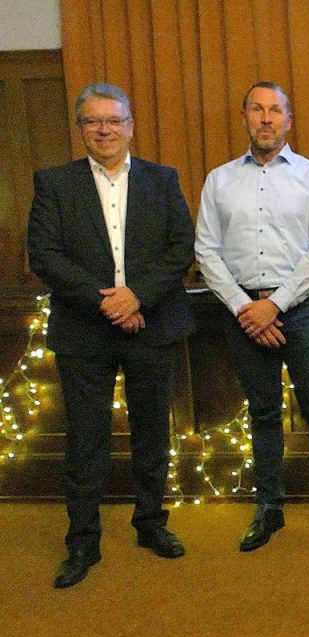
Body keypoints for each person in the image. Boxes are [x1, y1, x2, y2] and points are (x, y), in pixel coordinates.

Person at [27, 82, 196, 588]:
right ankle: (82, 541)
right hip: (84, 331)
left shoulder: (163, 180)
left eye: (114, 120)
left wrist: (136, 296)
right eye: (93, 121)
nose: (105, 130)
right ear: (80, 129)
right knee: (85, 440)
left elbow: (180, 246)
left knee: (152, 434)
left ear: (130, 126)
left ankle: (150, 523)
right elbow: (46, 256)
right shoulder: (54, 183)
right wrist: (108, 301)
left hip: (152, 325)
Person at [195, 81, 309, 552]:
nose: (266, 119)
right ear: (244, 116)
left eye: (275, 111)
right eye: (257, 110)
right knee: (262, 413)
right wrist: (247, 308)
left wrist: (274, 304)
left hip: (299, 312)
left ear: (289, 119)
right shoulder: (219, 180)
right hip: (242, 315)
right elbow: (206, 250)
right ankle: (269, 508)